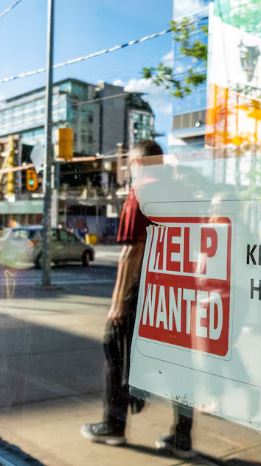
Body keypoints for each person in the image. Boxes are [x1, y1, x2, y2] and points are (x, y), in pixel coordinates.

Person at [81, 140, 195, 459]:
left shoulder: (141, 191)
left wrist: (117, 303)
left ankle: (112, 424)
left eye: (130, 164)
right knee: (179, 366)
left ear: (140, 164)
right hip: (178, 292)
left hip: (143, 292)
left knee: (113, 347)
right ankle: (182, 436)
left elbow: (131, 252)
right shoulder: (181, 193)